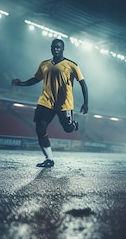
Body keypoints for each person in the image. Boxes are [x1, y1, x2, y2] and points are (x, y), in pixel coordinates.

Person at [12, 38, 89, 168]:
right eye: (53, 47)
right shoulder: (44, 64)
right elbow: (35, 79)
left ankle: (74, 125)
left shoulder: (72, 65)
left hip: (64, 104)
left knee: (68, 129)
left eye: (58, 47)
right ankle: (49, 159)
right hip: (45, 101)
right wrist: (21, 83)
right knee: (40, 128)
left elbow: (83, 83)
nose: (56, 49)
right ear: (51, 48)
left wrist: (85, 102)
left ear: (63, 49)